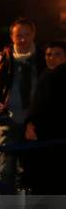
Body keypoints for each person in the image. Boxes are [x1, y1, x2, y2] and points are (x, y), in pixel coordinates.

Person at [0, 18, 45, 194]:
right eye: (19, 35)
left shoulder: (43, 57)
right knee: (6, 168)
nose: (23, 39)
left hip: (36, 120)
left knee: (34, 167)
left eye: (27, 35)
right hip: (8, 120)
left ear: (34, 35)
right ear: (12, 36)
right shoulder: (0, 58)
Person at [25, 41, 66, 194]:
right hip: (46, 137)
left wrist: (31, 122)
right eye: (48, 54)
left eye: (57, 54)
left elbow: (44, 106)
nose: (52, 58)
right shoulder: (46, 75)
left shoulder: (55, 76)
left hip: (54, 138)